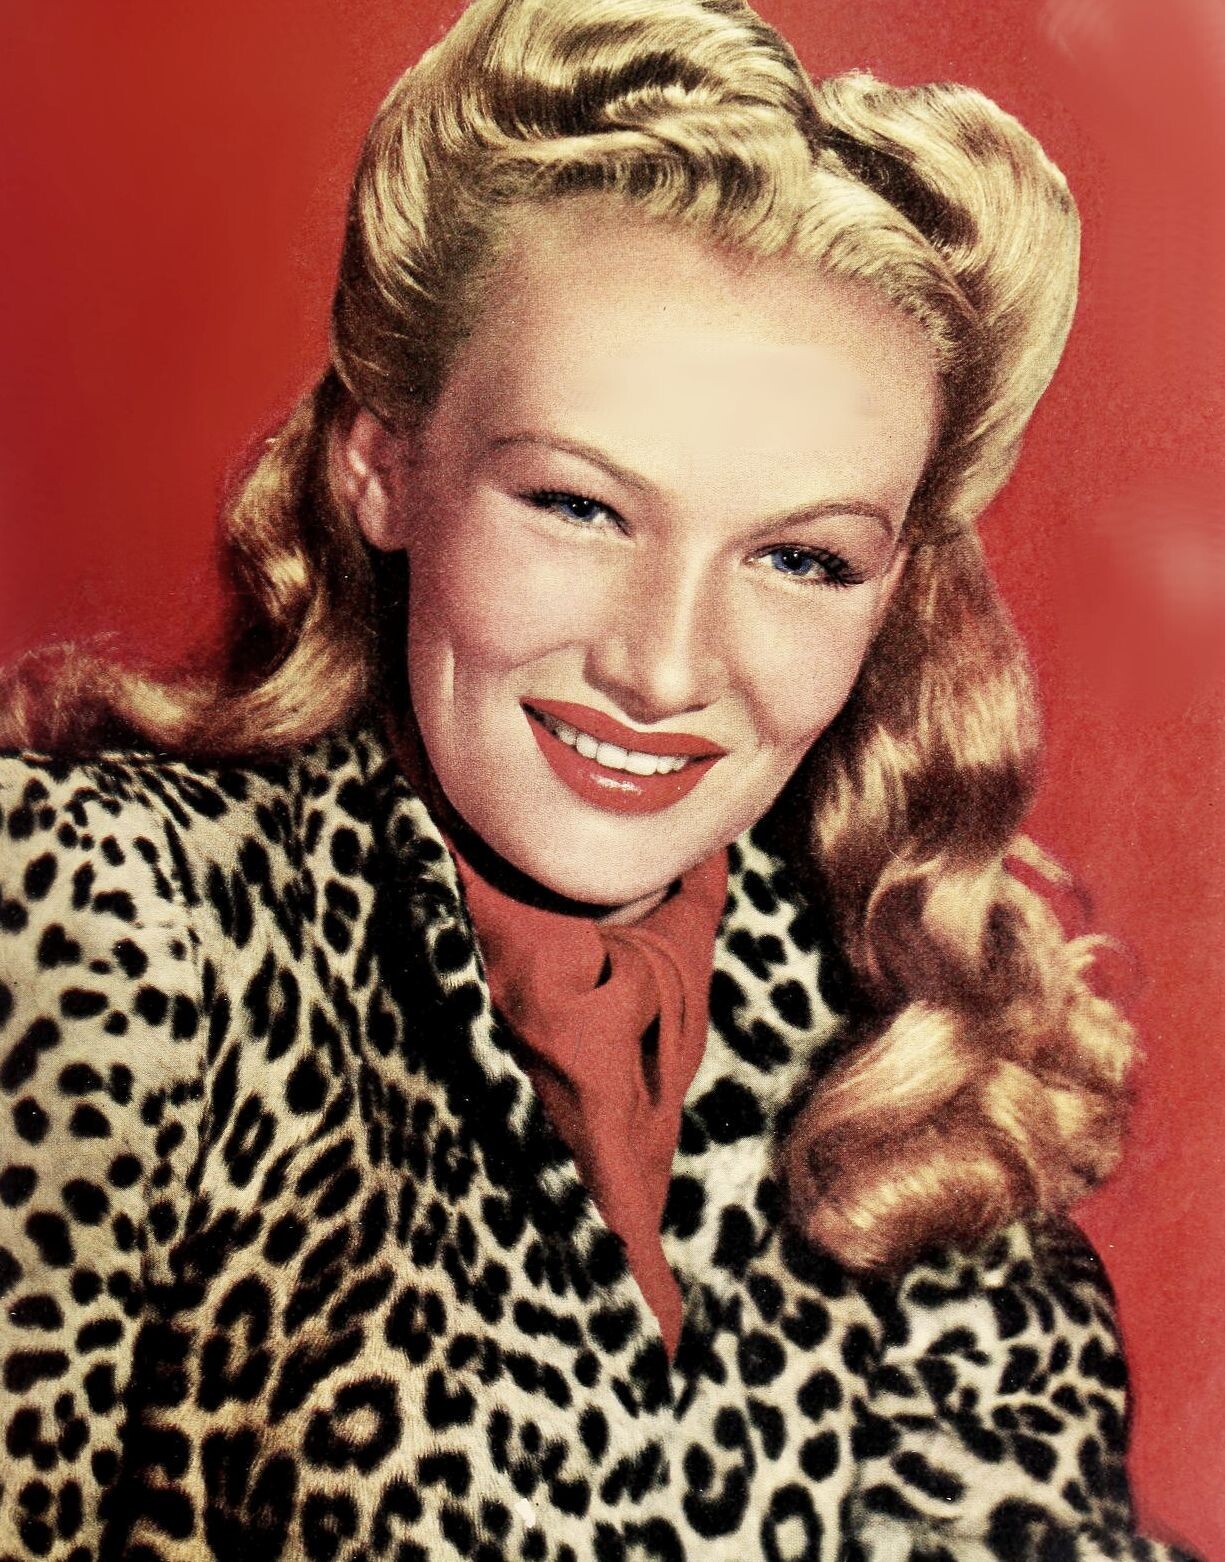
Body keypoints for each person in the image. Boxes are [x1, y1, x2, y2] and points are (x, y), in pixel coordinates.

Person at [0, 1, 1198, 1557]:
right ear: (383, 465)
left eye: (798, 557)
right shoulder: (111, 920)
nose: (663, 667)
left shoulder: (896, 1070)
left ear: (890, 589)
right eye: (577, 505)